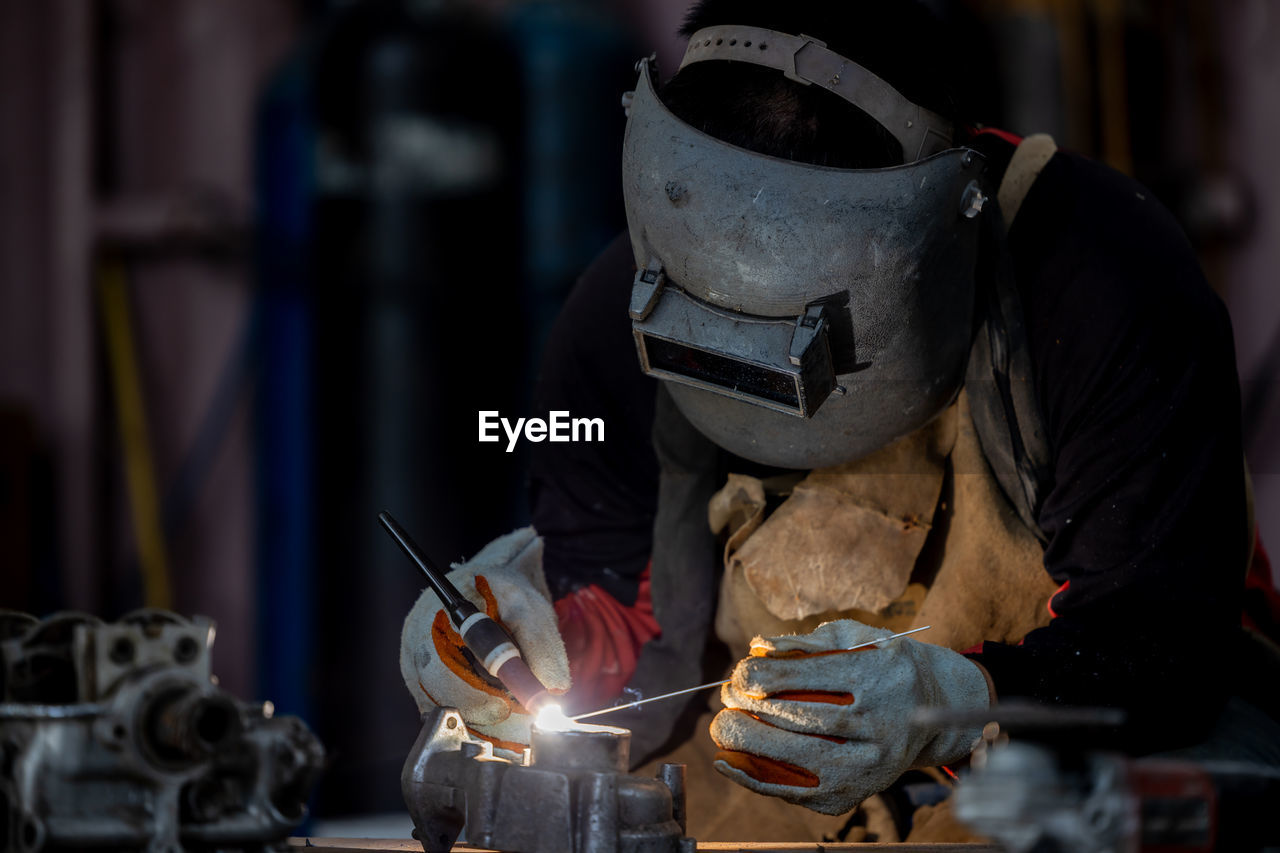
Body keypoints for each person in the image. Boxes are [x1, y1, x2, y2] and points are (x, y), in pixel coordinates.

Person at [401, 0, 1280, 837]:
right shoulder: (611, 315)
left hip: (1078, 744)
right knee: (572, 813)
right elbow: (624, 612)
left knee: (1127, 818)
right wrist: (541, 625)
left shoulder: (1103, 281)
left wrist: (954, 705)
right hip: (766, 765)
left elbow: (1163, 655)